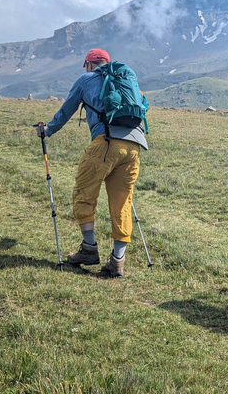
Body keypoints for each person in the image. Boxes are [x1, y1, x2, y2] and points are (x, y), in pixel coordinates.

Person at [36, 48, 147, 277]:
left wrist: (48, 130)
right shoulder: (125, 79)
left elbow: (67, 109)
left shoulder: (86, 79)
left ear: (89, 64)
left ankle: (89, 249)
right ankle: (117, 261)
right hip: (134, 147)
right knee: (122, 203)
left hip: (105, 143)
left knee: (84, 192)